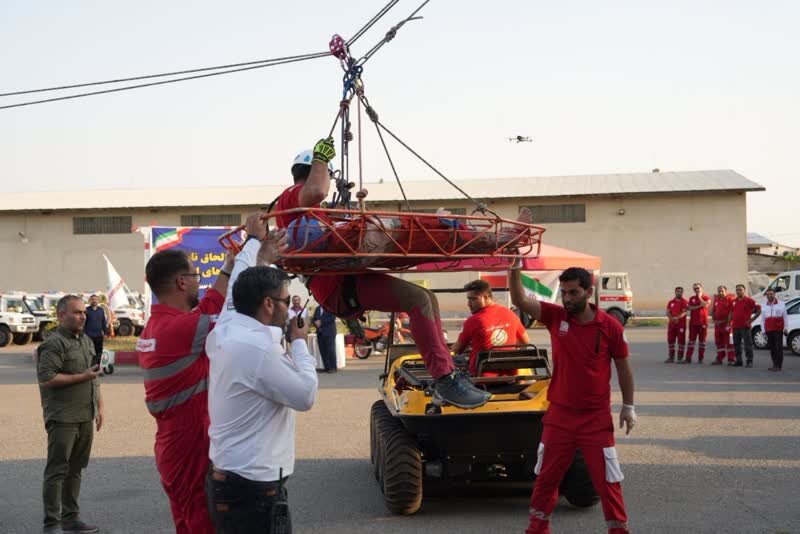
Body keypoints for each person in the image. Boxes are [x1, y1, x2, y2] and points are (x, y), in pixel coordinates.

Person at [273, 137, 490, 409]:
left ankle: (445, 376)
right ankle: (445, 380)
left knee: (425, 298)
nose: (328, 182)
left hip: (343, 281)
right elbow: (316, 190)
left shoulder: (310, 214)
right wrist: (322, 158)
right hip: (338, 286)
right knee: (420, 300)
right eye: (327, 174)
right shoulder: (293, 197)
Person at [137, 213, 264, 534]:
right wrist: (253, 245)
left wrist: (227, 267)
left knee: (188, 522)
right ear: (181, 282)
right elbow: (230, 313)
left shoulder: (158, 327)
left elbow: (209, 305)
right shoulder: (181, 329)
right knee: (201, 522)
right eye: (195, 275)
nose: (199, 281)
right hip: (189, 446)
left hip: (175, 445)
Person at [510, 265, 635, 534]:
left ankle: (619, 530)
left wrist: (628, 406)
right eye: (564, 292)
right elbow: (520, 300)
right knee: (546, 478)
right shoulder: (556, 317)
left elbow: (624, 367)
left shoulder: (610, 326)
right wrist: (514, 268)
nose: (566, 298)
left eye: (573, 293)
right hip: (559, 418)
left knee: (608, 481)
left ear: (588, 292)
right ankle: (537, 529)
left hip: (596, 419)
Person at [206, 256, 317, 533]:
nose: (288, 310)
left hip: (232, 477)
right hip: (252, 486)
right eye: (285, 301)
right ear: (268, 304)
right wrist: (300, 343)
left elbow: (237, 281)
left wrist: (256, 246)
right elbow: (305, 395)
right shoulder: (258, 349)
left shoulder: (228, 328)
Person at [37, 294, 104, 534]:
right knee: (57, 471)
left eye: (84, 312)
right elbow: (47, 378)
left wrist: (99, 406)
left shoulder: (85, 340)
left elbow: (93, 375)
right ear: (61, 315)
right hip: (63, 418)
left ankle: (71, 519)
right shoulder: (54, 343)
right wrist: (82, 377)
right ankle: (51, 523)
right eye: (77, 312)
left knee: (75, 470)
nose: (82, 316)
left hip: (85, 415)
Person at [451, 279, 529, 377]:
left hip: (480, 379)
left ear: (486, 297)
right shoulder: (510, 313)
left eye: (473, 299)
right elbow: (525, 342)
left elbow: (457, 350)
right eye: (468, 299)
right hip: (510, 378)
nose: (468, 304)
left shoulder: (473, 321)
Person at [731, 284, 761, 368]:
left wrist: (751, 320)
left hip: (745, 327)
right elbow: (731, 312)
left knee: (747, 345)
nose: (738, 291)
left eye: (740, 289)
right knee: (736, 345)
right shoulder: (734, 301)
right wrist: (728, 322)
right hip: (735, 326)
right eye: (737, 290)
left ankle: (749, 361)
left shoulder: (750, 300)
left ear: (744, 290)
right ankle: (739, 360)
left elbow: (759, 310)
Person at [683, 283, 711, 364]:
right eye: (695, 289)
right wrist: (699, 306)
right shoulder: (692, 298)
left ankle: (700, 358)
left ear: (701, 288)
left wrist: (699, 297)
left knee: (702, 342)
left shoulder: (706, 297)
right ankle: (688, 358)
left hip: (703, 323)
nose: (696, 290)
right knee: (691, 341)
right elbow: (690, 308)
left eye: (698, 288)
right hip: (693, 323)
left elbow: (705, 305)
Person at [762, 289, 789, 371]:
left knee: (778, 347)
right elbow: (762, 320)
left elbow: (785, 317)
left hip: (778, 329)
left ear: (774, 294)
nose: (769, 295)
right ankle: (774, 364)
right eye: (767, 294)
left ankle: (778, 365)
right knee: (772, 348)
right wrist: (763, 330)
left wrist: (786, 328)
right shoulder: (764, 305)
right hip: (768, 329)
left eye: (771, 294)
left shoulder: (781, 304)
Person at [710, 286, 735, 365]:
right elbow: (714, 310)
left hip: (726, 325)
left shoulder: (730, 300)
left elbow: (731, 312)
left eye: (722, 291)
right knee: (719, 342)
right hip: (718, 325)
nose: (720, 293)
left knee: (729, 343)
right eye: (719, 291)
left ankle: (731, 359)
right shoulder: (716, 300)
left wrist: (727, 323)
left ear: (726, 291)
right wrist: (714, 319)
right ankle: (719, 358)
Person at [664, 287, 688, 363]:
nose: (679, 293)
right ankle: (671, 357)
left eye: (680, 292)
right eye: (678, 291)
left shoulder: (685, 302)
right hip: (672, 325)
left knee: (681, 341)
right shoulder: (671, 302)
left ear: (682, 293)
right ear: (675, 292)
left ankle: (680, 358)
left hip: (681, 325)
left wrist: (676, 318)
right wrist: (672, 318)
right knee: (670, 341)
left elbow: (684, 312)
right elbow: (668, 312)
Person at [312, 304, 338, 373]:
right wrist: (315, 322)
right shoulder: (317, 308)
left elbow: (332, 318)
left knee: (331, 350)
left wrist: (321, 322)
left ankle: (333, 367)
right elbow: (314, 318)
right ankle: (327, 367)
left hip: (329, 332)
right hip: (320, 333)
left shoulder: (331, 307)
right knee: (323, 351)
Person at [83, 295, 107, 366]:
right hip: (88, 335)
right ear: (90, 301)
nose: (94, 301)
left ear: (98, 301)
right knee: (89, 352)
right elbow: (83, 322)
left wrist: (105, 332)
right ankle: (89, 367)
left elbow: (103, 322)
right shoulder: (86, 310)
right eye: (93, 299)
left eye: (96, 299)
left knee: (99, 352)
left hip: (99, 335)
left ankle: (97, 366)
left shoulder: (101, 310)